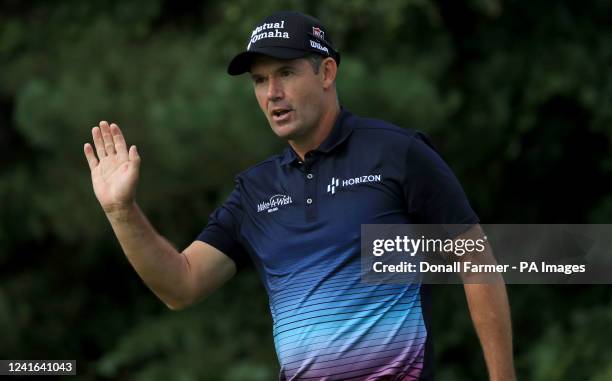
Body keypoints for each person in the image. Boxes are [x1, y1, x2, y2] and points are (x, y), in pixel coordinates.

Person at [84, 11, 515, 381]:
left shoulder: (398, 153)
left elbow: (475, 260)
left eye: (285, 73)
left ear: (326, 73)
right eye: (259, 80)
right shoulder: (255, 193)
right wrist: (122, 212)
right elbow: (181, 285)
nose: (272, 93)